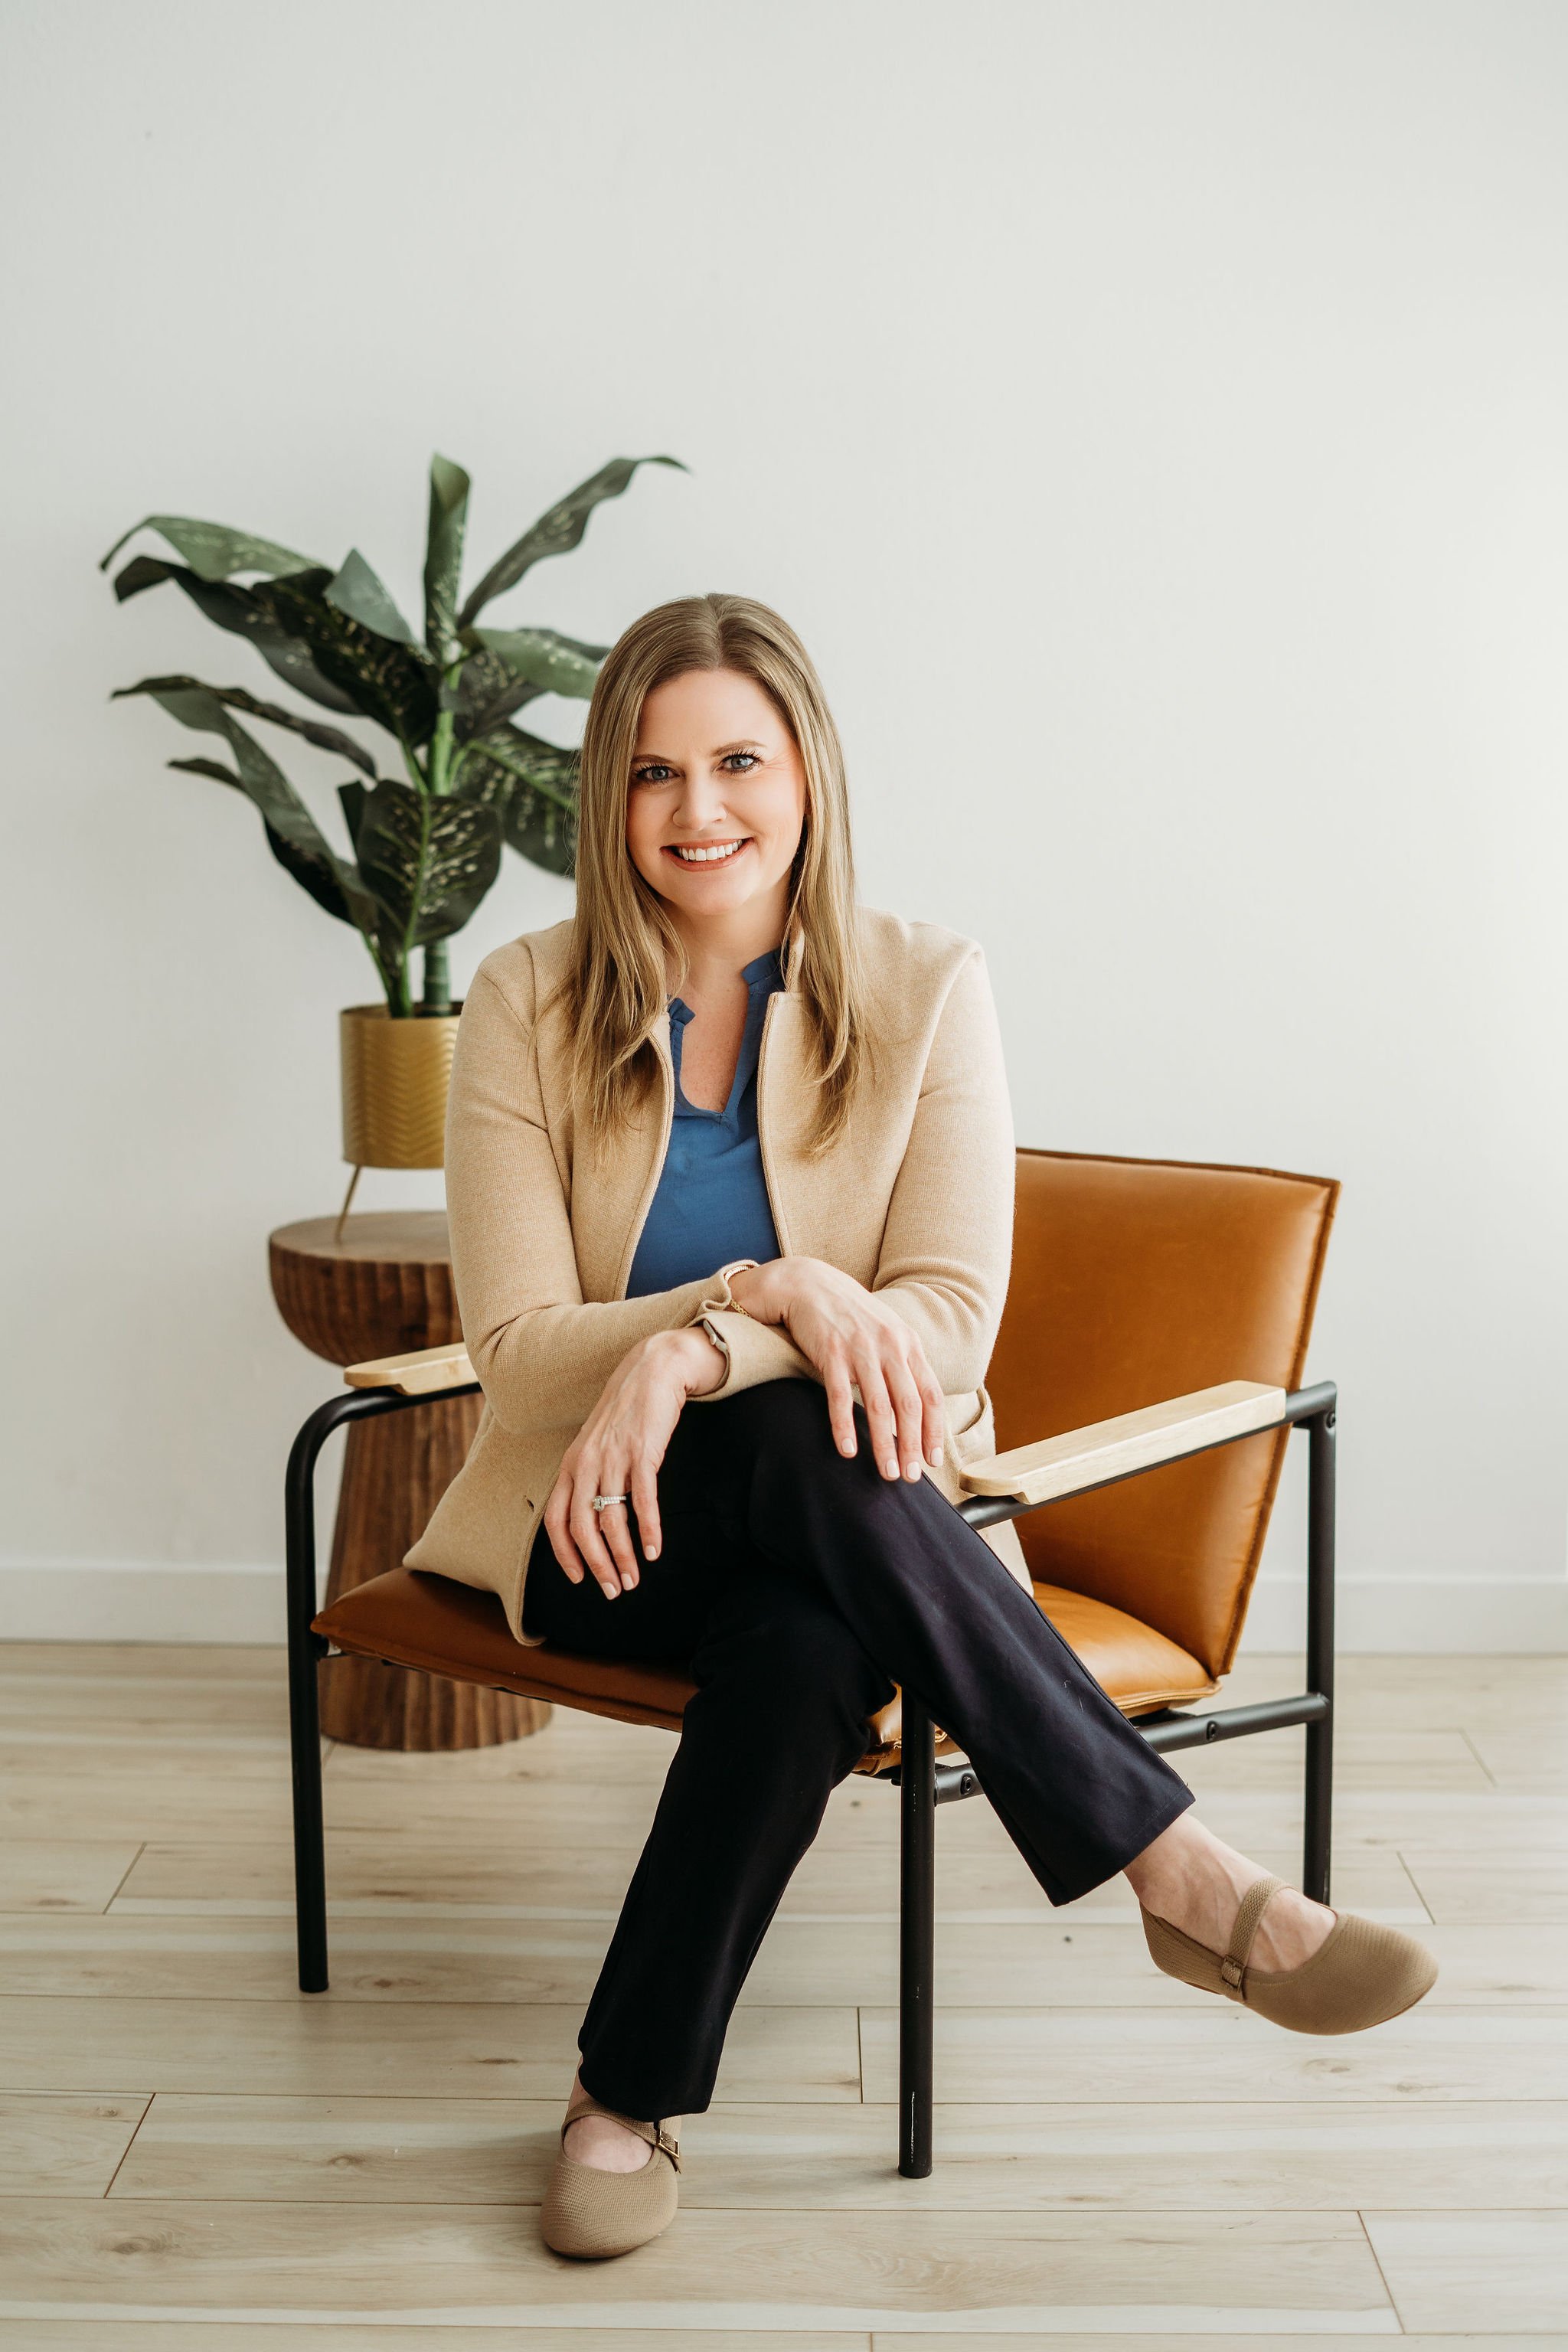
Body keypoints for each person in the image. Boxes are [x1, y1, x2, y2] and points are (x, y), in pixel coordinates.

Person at [407, 593, 1437, 2261]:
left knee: (808, 1646)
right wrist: (776, 1292)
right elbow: (520, 1358)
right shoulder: (524, 1001)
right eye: (654, 774)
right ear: (607, 796)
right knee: (811, 1446)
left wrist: (696, 1351)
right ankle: (1178, 1874)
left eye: (737, 760)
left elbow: (947, 1329)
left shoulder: (929, 986)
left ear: (807, 768)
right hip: (600, 1530)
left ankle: (622, 2097)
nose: (698, 812)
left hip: (847, 1521)